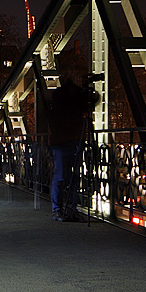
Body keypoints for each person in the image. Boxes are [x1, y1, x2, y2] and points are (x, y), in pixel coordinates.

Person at [42, 76, 95, 221]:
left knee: (61, 177)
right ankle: (70, 209)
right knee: (71, 177)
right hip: (71, 141)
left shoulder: (58, 102)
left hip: (61, 142)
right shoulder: (71, 104)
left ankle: (59, 210)